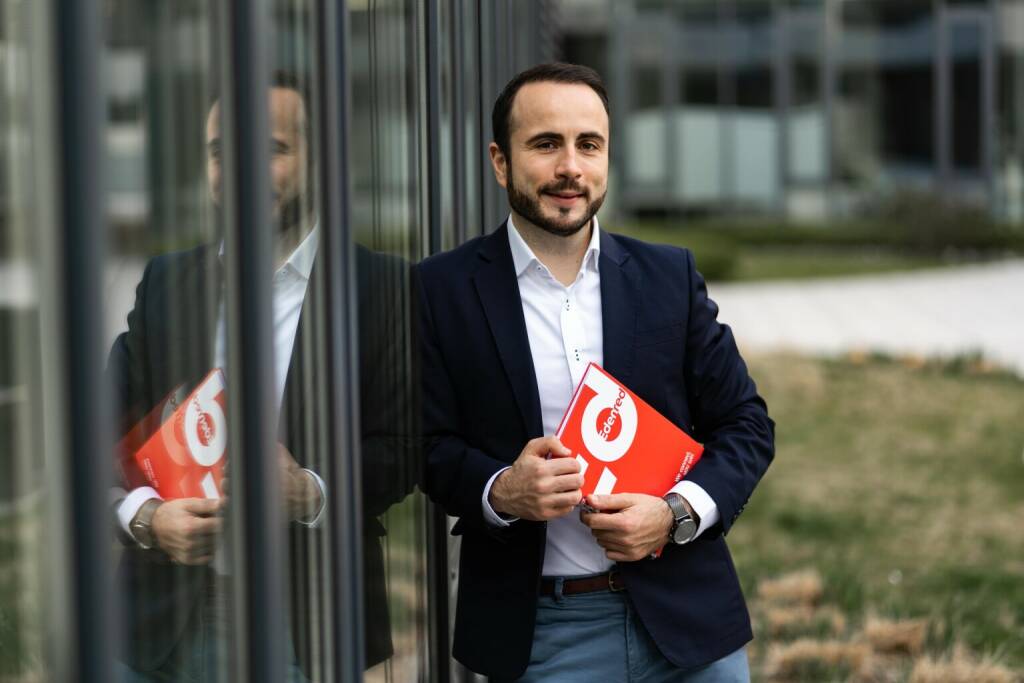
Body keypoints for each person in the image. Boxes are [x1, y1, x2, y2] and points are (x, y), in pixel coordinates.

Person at [417, 62, 775, 681]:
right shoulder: (439, 289)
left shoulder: (669, 278)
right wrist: (502, 489)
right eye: (546, 144)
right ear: (501, 161)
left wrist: (675, 513)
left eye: (588, 144)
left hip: (690, 624)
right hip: (542, 635)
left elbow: (746, 424)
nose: (570, 168)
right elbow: (422, 445)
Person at [108, 72, 417, 680]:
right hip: (158, 625)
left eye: (272, 151)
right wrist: (148, 520)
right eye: (224, 153)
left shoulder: (384, 288)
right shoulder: (166, 284)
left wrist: (309, 491)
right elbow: (102, 435)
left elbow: (408, 449)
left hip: (307, 622)